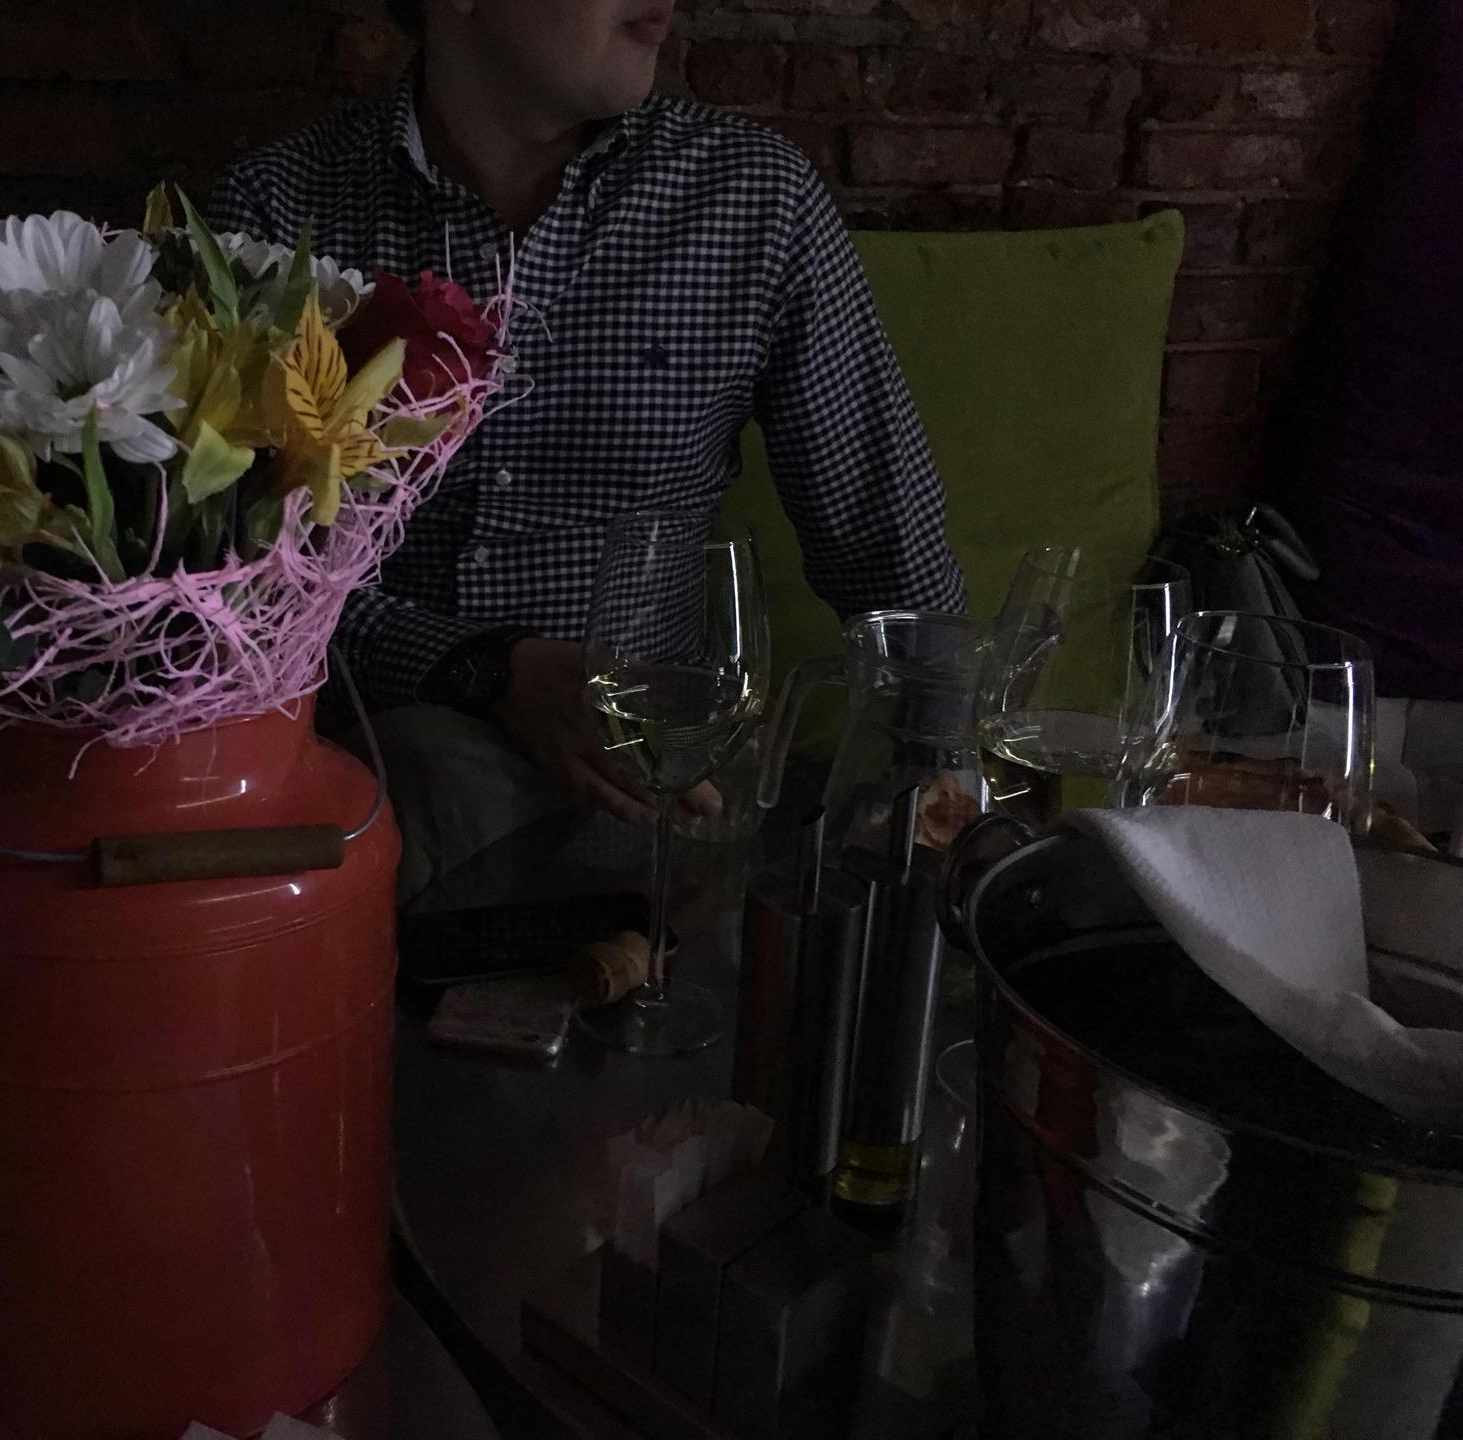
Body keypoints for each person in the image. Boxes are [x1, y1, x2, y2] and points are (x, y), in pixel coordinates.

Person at [208, 0, 964, 909]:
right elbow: (230, 578)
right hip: (376, 767)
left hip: (656, 770)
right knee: (430, 773)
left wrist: (947, 785)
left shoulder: (750, 198)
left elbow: (883, 537)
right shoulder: (276, 212)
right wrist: (488, 669)